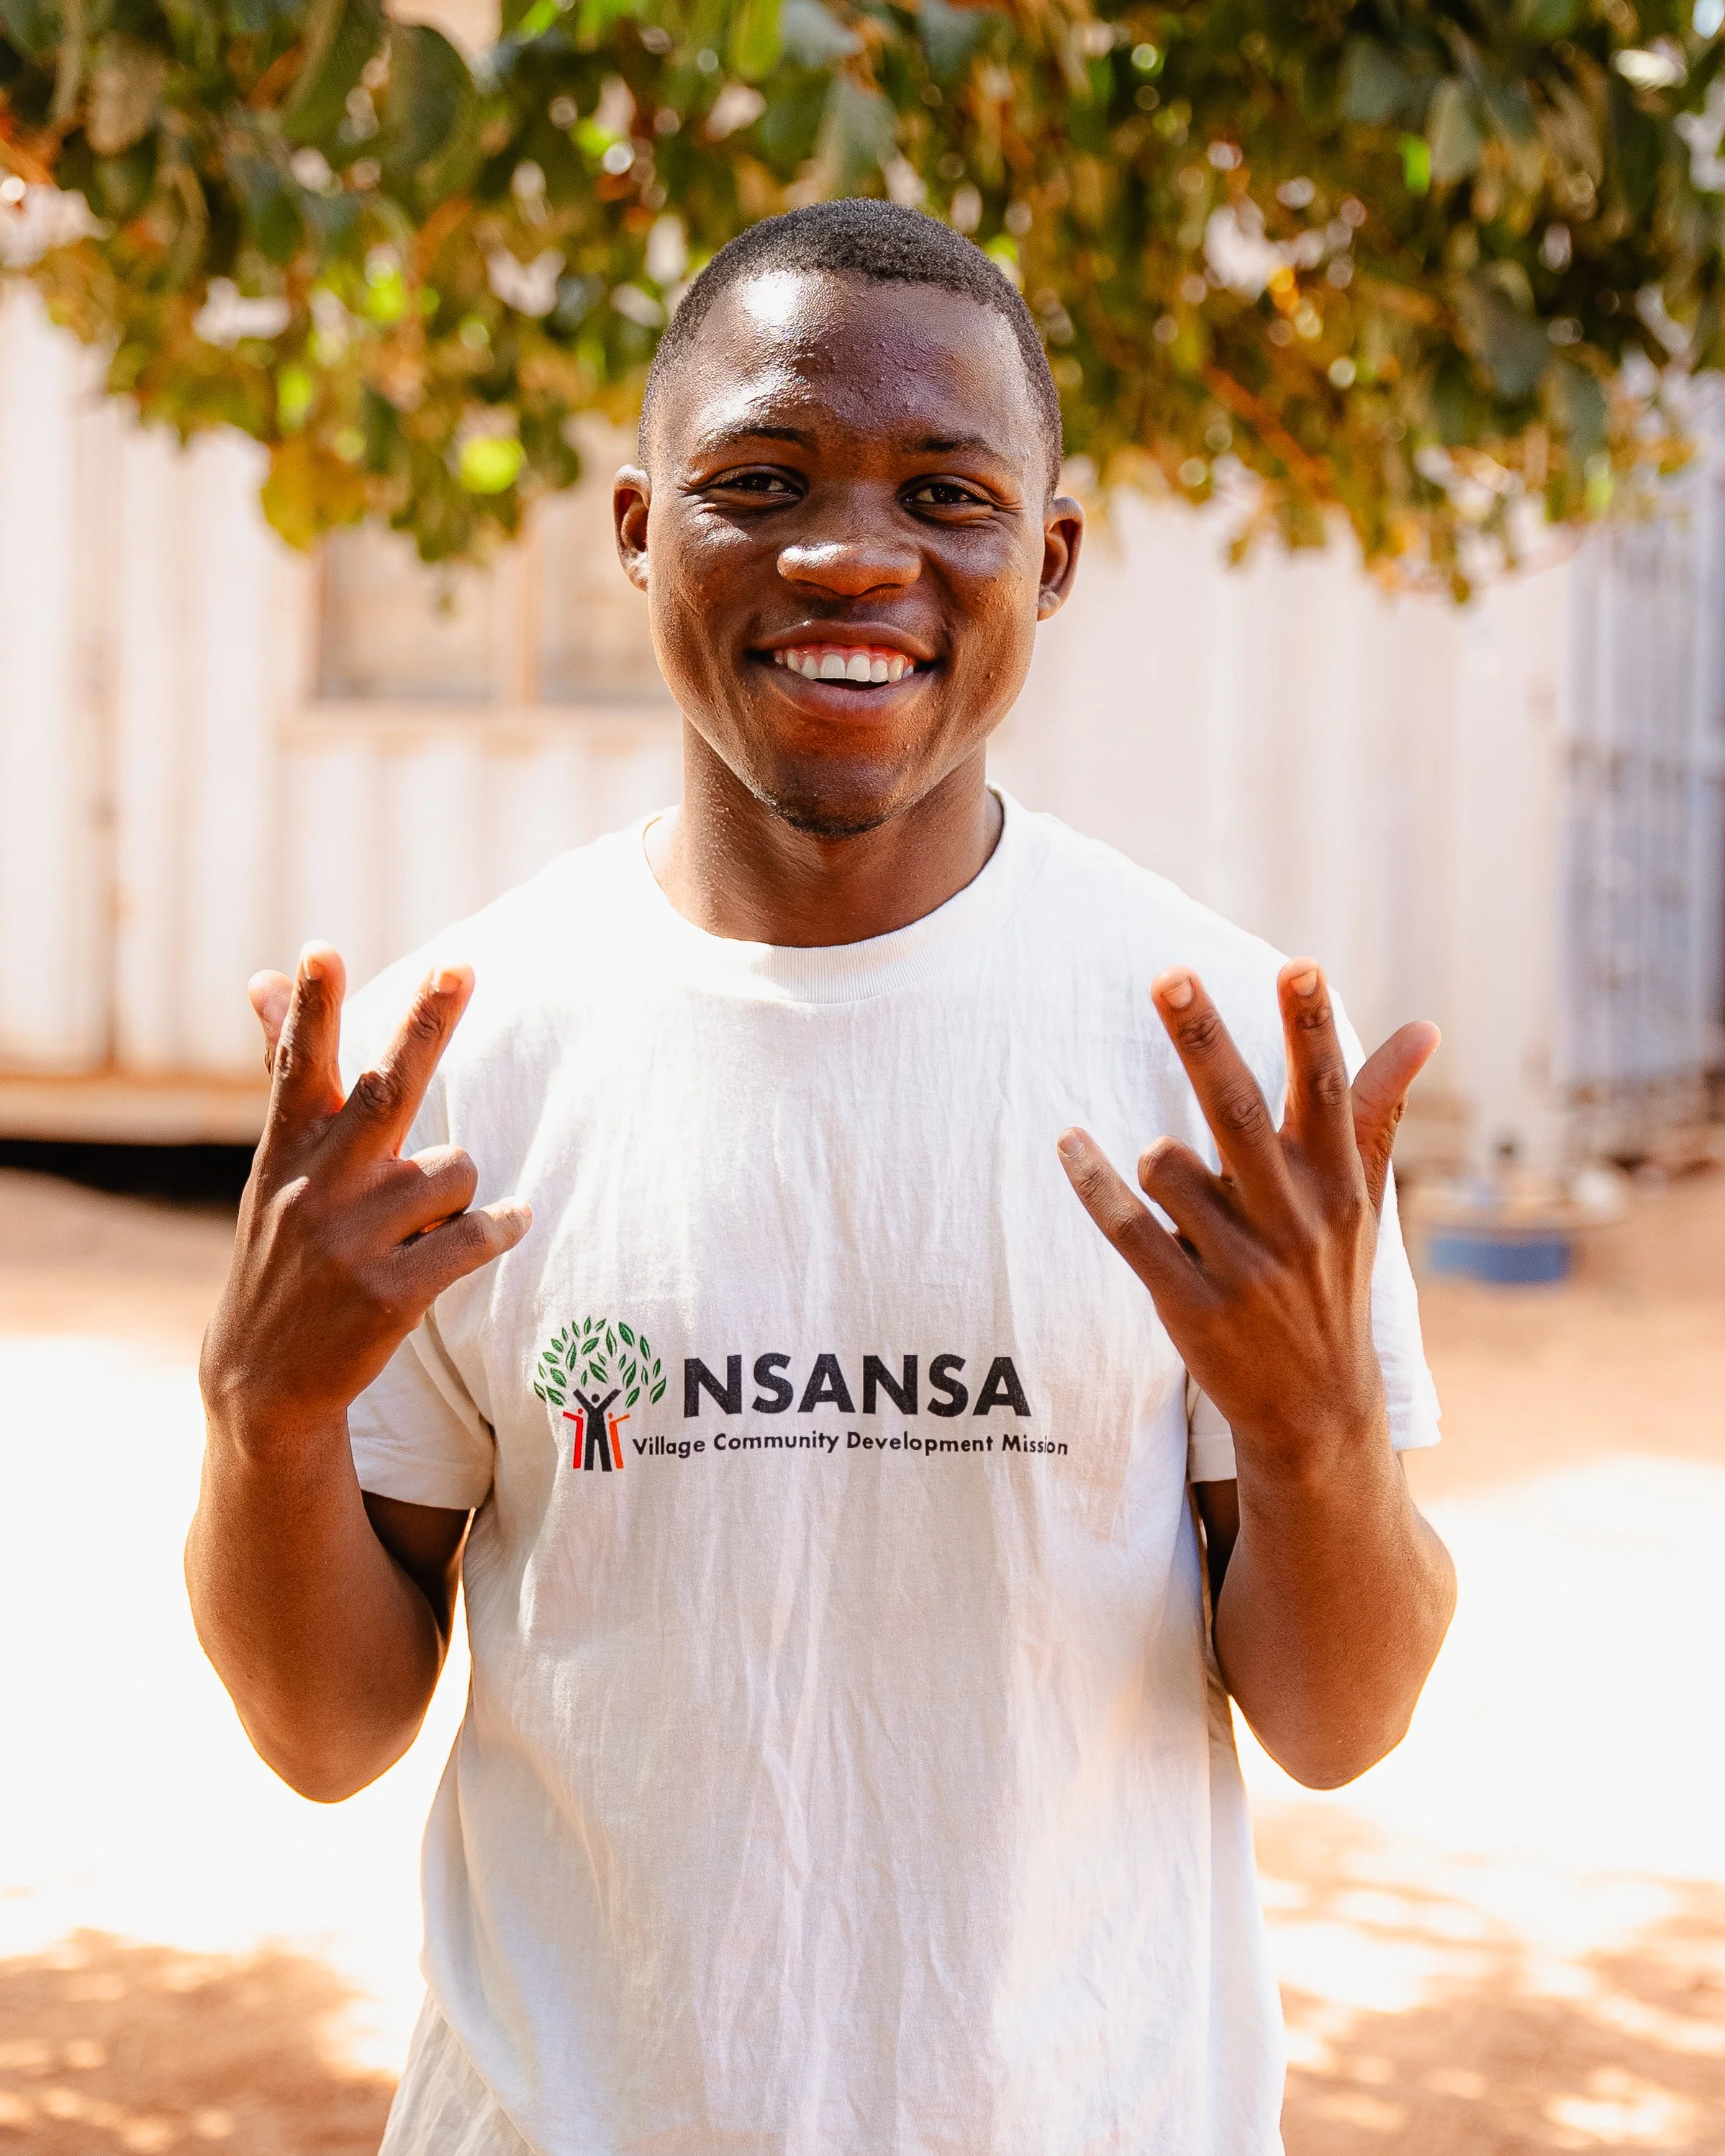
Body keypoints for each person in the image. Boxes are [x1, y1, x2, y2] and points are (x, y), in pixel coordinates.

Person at [188, 199, 1456, 2156]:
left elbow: (1335, 1715)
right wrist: (261, 1414)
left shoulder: (1198, 1046)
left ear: (1047, 557)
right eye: (758, 479)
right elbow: (323, 1731)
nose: (852, 554)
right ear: (634, 529)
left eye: (943, 492)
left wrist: (1313, 1441)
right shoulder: (469, 1048)